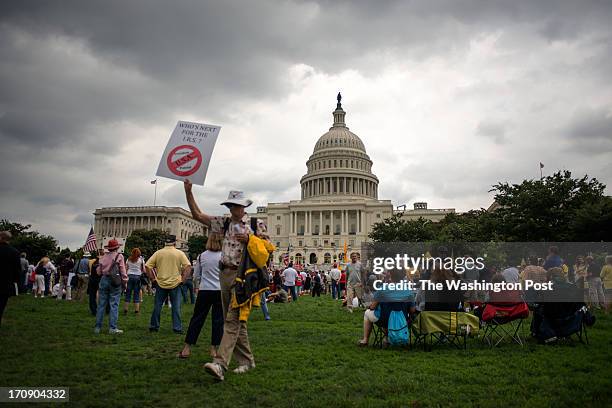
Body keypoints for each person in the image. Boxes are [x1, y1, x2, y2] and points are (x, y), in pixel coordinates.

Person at [185, 180, 270, 381]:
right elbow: (197, 215)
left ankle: (220, 364)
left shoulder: (254, 224)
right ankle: (247, 361)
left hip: (244, 277)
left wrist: (250, 240)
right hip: (224, 274)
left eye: (237, 205)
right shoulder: (223, 223)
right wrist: (188, 191)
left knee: (232, 319)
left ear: (244, 206)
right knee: (234, 319)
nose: (234, 209)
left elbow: (267, 249)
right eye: (231, 205)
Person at [178, 233, 224, 359]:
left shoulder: (202, 256)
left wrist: (199, 285)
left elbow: (196, 275)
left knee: (197, 319)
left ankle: (187, 348)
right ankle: (214, 349)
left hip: (204, 290)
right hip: (219, 290)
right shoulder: (224, 256)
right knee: (218, 321)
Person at [146, 235, 191, 334]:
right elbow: (188, 267)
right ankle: (177, 328)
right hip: (175, 283)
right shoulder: (179, 253)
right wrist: (183, 280)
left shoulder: (158, 253)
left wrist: (153, 279)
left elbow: (147, 266)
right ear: (174, 243)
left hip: (161, 282)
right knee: (176, 307)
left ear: (165, 243)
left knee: (157, 306)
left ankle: (154, 326)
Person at [359, 268, 415, 346]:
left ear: (390, 276)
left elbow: (373, 307)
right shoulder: (409, 291)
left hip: (384, 319)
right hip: (402, 320)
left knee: (367, 313)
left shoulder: (383, 289)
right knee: (387, 313)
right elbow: (412, 311)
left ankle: (365, 340)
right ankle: (387, 338)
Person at [94, 239, 128, 334]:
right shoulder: (119, 256)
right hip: (115, 280)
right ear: (117, 247)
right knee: (114, 304)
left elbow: (98, 272)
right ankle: (112, 328)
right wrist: (125, 282)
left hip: (104, 279)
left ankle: (97, 327)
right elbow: (122, 271)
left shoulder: (103, 257)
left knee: (101, 305)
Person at [0, 231, 20, 328]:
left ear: (1, 238)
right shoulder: (14, 252)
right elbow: (17, 270)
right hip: (6, 284)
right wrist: (15, 281)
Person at [124, 248, 145, 315]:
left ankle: (125, 310)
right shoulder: (141, 259)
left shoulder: (128, 259)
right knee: (136, 294)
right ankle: (136, 311)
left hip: (129, 276)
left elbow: (126, 268)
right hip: (137, 277)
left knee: (128, 293)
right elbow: (144, 270)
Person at [87, 251, 102, 316]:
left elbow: (89, 270)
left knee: (92, 296)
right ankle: (101, 309)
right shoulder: (102, 262)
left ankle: (93, 310)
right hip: (99, 279)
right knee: (101, 295)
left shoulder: (91, 262)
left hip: (92, 279)